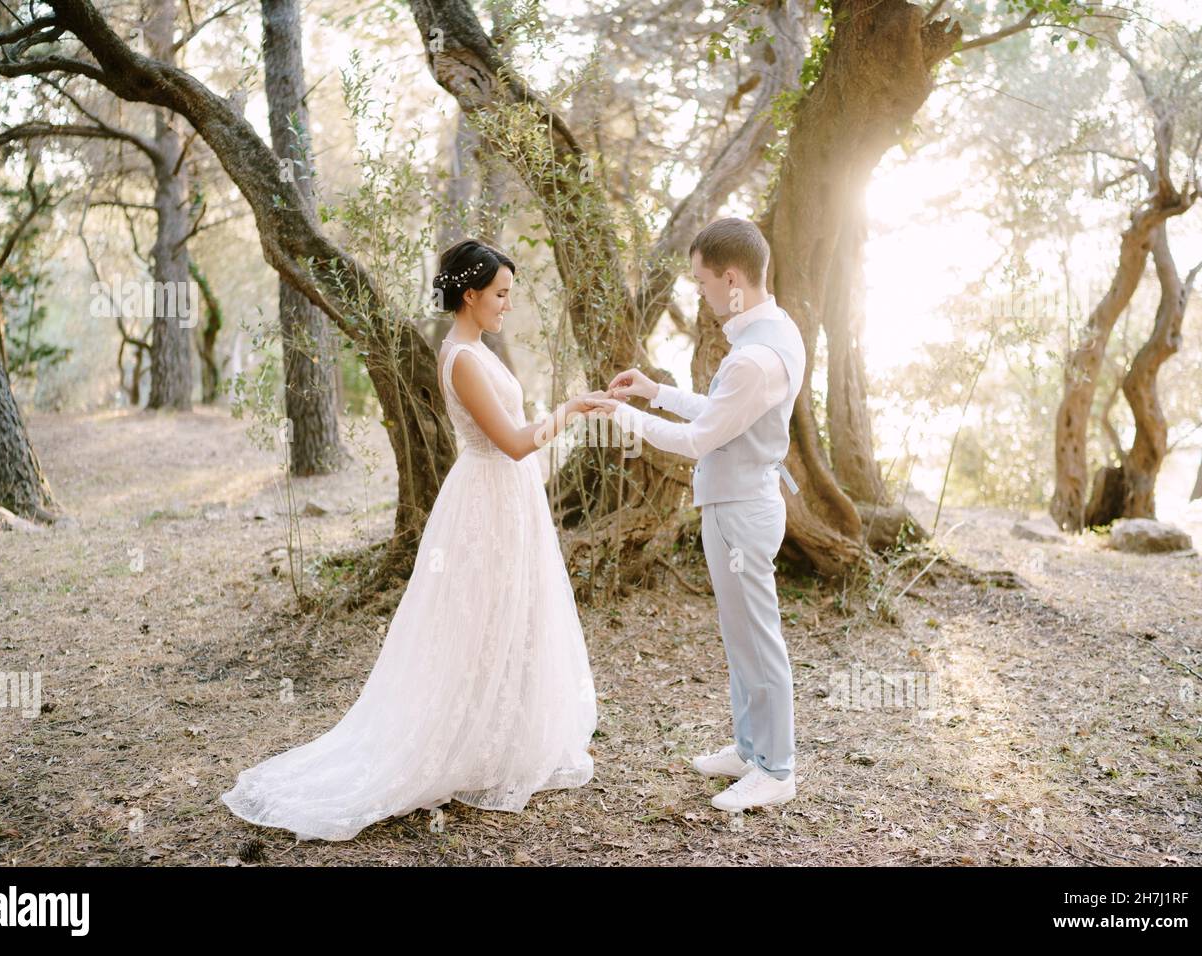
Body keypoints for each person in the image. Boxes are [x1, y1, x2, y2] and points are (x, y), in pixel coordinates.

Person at [221, 239, 602, 840]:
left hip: (505, 496)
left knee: (505, 614)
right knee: (476, 618)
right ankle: (452, 742)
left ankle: (495, 736)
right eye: (500, 295)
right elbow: (514, 441)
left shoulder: (473, 348)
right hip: (487, 495)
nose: (507, 305)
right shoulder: (464, 360)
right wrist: (573, 408)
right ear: (470, 294)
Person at [585, 217, 805, 812]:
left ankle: (776, 768)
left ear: (731, 279)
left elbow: (698, 440)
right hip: (741, 501)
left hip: (741, 511)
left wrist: (620, 415)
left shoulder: (753, 358)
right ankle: (750, 748)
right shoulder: (772, 334)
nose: (700, 293)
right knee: (740, 637)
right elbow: (722, 413)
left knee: (758, 640)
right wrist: (654, 392)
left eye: (703, 281)